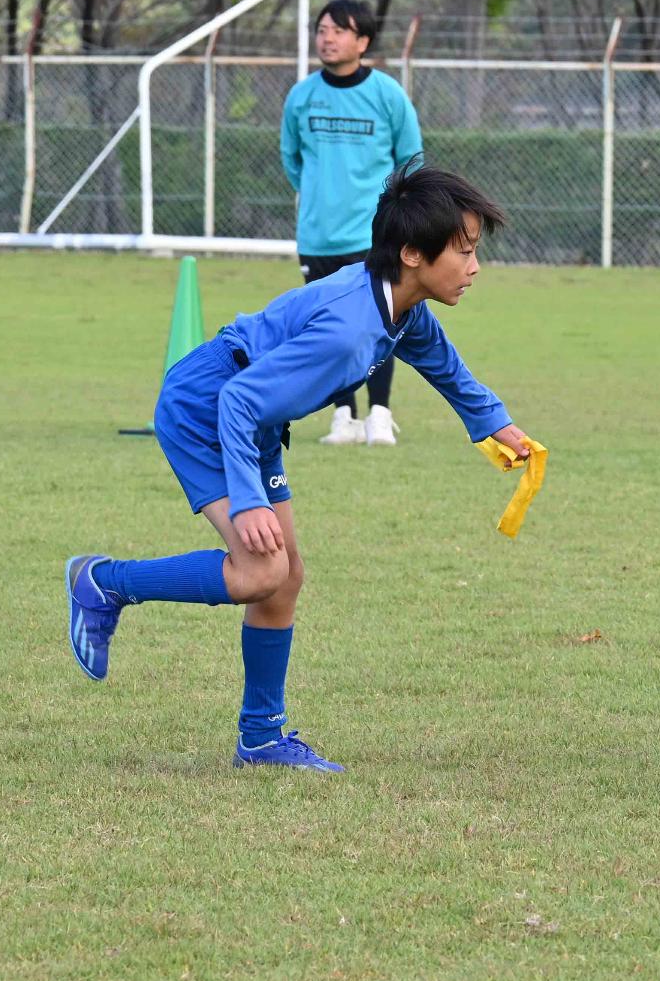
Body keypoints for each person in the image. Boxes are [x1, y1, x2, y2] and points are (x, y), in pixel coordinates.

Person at [65, 165, 530, 771]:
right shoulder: (348, 330)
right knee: (261, 572)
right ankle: (105, 583)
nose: (473, 268)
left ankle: (260, 739)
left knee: (284, 577)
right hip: (208, 405)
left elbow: (442, 363)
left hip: (248, 412)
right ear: (413, 253)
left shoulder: (399, 305)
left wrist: (495, 424)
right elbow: (237, 401)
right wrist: (249, 497)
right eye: (464, 252)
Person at [281, 0, 424, 447]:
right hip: (318, 234)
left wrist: (395, 215)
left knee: (380, 324)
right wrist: (321, 197)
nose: (327, 38)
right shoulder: (302, 96)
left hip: (372, 234)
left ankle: (379, 415)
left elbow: (412, 160)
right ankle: (344, 416)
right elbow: (291, 159)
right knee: (328, 330)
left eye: (339, 30)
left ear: (362, 41)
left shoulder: (387, 95)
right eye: (322, 29)